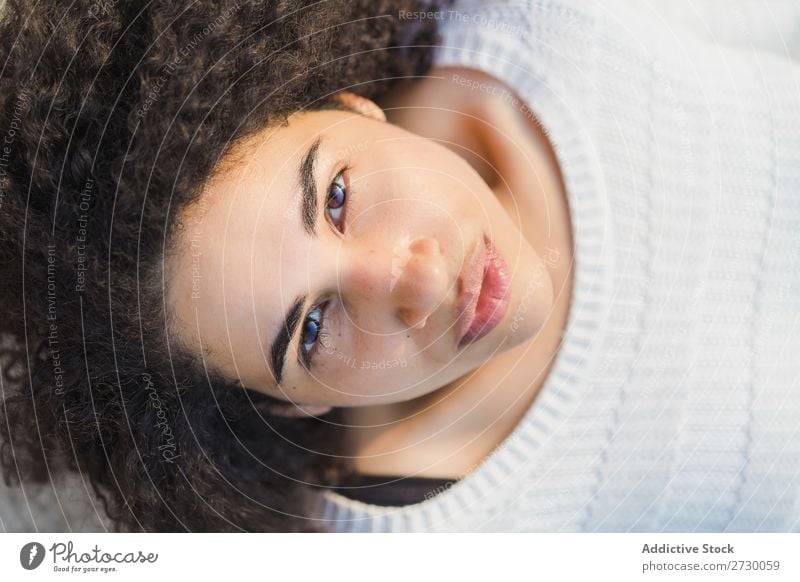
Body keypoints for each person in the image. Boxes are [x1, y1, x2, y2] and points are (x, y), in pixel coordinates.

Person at [1, 0, 798, 533]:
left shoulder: (549, 22)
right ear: (287, 406)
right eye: (311, 330)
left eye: (339, 196)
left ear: (349, 104)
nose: (412, 283)